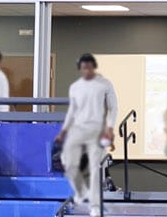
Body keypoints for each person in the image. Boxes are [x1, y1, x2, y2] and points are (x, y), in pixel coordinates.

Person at [56, 54, 118, 217]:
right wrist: (63, 131)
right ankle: (81, 191)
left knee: (94, 167)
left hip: (97, 130)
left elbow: (114, 108)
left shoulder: (104, 84)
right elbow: (72, 111)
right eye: (83, 67)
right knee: (66, 160)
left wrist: (110, 128)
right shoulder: (76, 87)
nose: (87, 70)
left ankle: (95, 207)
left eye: (89, 66)